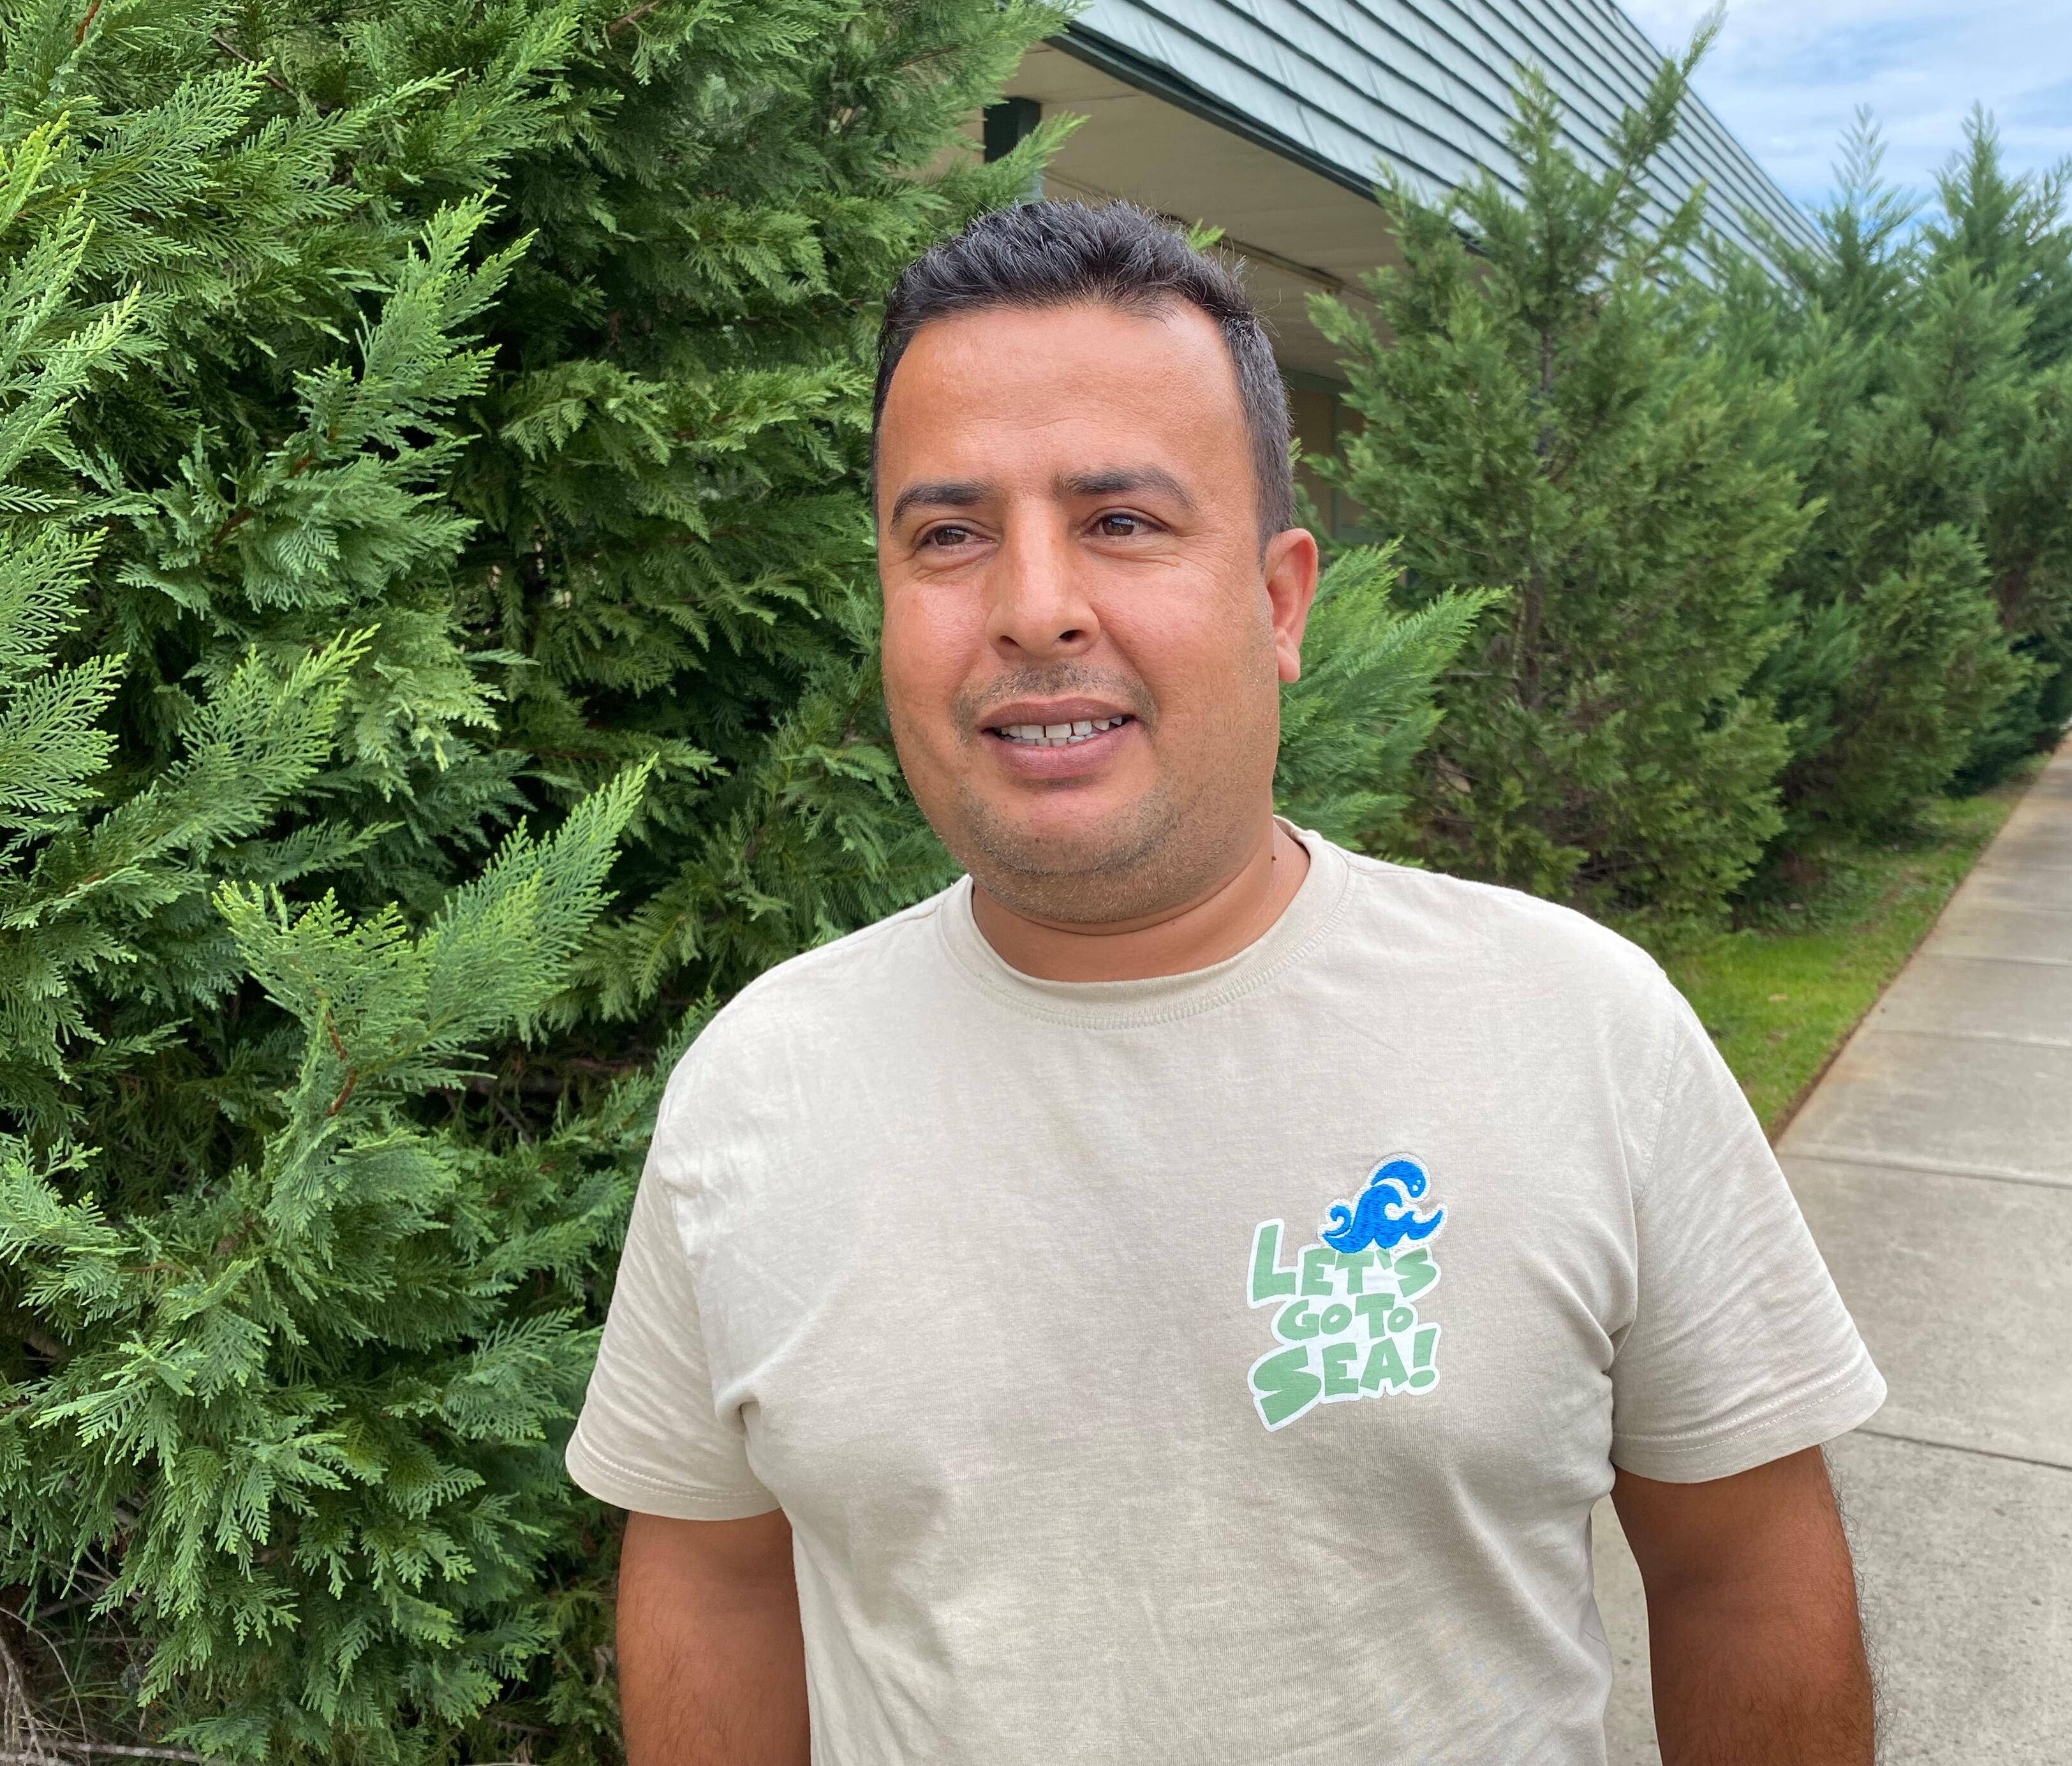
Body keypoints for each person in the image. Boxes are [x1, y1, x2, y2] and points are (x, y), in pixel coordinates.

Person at [568, 198, 1885, 1765]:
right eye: (949, 534)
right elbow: (714, 1582)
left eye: (1121, 522)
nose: (1032, 605)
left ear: (1278, 602)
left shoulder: (1580, 1029)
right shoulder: (760, 1082)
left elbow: (1740, 1571)